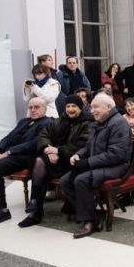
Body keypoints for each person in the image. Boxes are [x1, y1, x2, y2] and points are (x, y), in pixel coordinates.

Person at [60, 94, 131, 239]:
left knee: (81, 180)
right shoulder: (99, 122)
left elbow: (116, 155)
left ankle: (89, 221)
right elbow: (88, 146)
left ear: (108, 107)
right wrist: (78, 155)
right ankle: (93, 213)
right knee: (65, 181)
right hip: (100, 163)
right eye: (91, 107)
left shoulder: (119, 123)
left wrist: (87, 163)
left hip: (117, 166)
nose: (91, 111)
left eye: (95, 107)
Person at [19, 95, 91, 227]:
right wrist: (48, 149)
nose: (70, 109)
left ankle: (37, 208)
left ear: (81, 108)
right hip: (56, 159)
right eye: (68, 106)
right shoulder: (58, 121)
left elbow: (83, 144)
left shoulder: (88, 122)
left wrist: (58, 151)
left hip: (73, 161)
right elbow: (43, 135)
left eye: (74, 106)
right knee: (39, 162)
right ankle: (36, 210)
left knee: (41, 164)